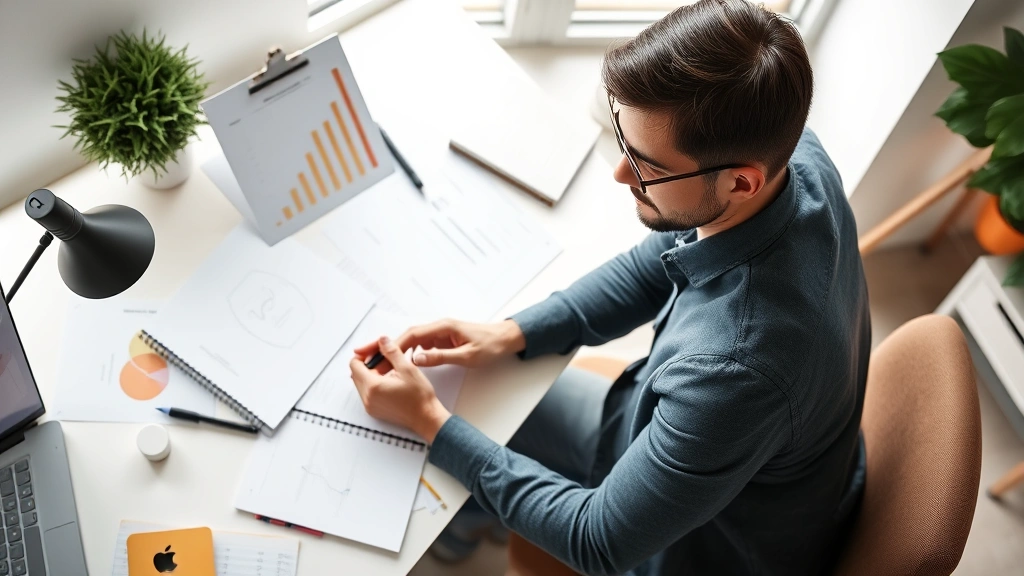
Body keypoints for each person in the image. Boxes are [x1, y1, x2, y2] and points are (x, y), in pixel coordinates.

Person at [349, 0, 870, 573]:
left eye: (645, 164)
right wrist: (512, 333)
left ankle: (465, 523)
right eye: (621, 137)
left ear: (741, 180)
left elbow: (597, 541)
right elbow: (661, 258)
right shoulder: (793, 157)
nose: (620, 173)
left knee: (457, 418)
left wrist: (431, 423)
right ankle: (471, 522)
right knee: (484, 389)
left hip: (702, 551)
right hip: (687, 436)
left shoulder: (737, 373)